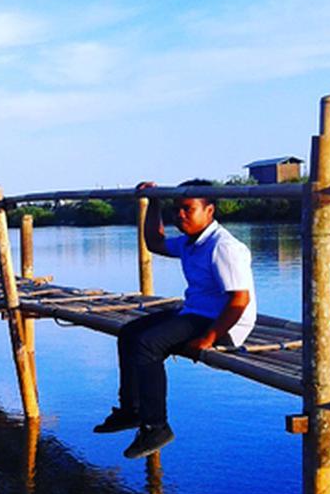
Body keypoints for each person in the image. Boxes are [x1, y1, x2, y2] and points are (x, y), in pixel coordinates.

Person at [94, 180, 256, 459]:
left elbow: (240, 300)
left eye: (188, 209)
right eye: (176, 209)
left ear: (209, 211)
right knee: (129, 332)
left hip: (224, 323)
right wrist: (153, 203)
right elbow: (154, 242)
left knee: (147, 344)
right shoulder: (190, 242)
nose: (180, 215)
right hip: (196, 312)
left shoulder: (224, 247)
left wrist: (210, 338)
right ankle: (131, 410)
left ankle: (156, 426)